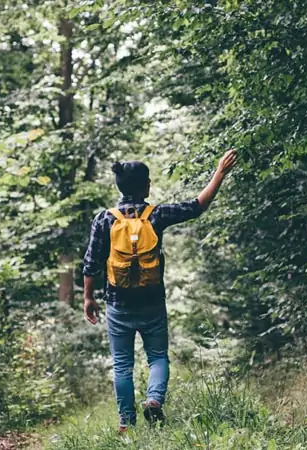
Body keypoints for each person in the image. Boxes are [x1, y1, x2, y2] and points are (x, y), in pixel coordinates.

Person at [81, 149, 238, 432]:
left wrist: (88, 297)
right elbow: (197, 206)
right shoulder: (158, 214)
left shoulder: (105, 219)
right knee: (157, 357)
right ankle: (154, 401)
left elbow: (91, 263)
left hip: (118, 304)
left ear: (119, 186)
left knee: (122, 364)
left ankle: (126, 423)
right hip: (152, 301)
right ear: (147, 186)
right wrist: (220, 172)